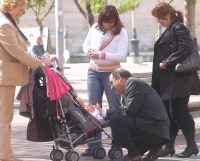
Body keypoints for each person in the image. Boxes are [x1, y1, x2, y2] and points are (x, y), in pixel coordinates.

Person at [0, 0, 52, 161]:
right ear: (10, 5)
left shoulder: (6, 21)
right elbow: (16, 51)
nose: (21, 11)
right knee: (4, 119)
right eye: (20, 8)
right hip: (4, 79)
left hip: (6, 78)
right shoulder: (4, 24)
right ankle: (5, 156)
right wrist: (40, 64)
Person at [151, 2, 200, 158]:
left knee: (180, 113)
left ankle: (192, 146)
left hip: (179, 80)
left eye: (160, 19)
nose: (159, 22)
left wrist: (167, 62)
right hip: (169, 81)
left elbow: (186, 48)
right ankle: (169, 146)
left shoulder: (179, 28)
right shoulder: (171, 28)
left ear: (167, 15)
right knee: (170, 114)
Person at [82, 5, 128, 156]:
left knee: (115, 108)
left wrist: (102, 55)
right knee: (93, 109)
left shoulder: (121, 32)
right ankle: (93, 146)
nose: (109, 25)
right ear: (101, 20)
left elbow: (122, 55)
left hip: (112, 74)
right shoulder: (95, 27)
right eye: (106, 22)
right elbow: (86, 44)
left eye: (112, 22)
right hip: (93, 72)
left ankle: (116, 145)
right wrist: (88, 51)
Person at [109, 68, 170, 161]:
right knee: (127, 157)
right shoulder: (129, 87)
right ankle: (154, 148)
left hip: (154, 129)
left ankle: (135, 155)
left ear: (119, 78)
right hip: (153, 129)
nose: (111, 87)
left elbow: (129, 111)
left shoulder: (133, 83)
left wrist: (106, 113)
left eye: (111, 82)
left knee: (116, 120)